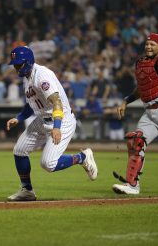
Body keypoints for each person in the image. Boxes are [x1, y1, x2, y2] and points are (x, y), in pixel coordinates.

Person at [6, 46, 98, 201]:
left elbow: (57, 102)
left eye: (19, 64)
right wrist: (19, 118)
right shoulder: (26, 78)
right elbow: (32, 104)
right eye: (15, 64)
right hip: (42, 119)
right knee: (19, 150)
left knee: (48, 164)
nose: (16, 67)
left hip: (61, 121)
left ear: (28, 62)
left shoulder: (42, 76)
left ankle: (81, 157)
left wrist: (56, 127)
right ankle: (27, 190)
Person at [113, 32, 158, 194]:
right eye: (147, 44)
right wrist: (126, 101)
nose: (149, 46)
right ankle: (132, 186)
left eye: (153, 44)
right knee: (136, 141)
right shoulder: (142, 63)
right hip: (149, 113)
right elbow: (143, 87)